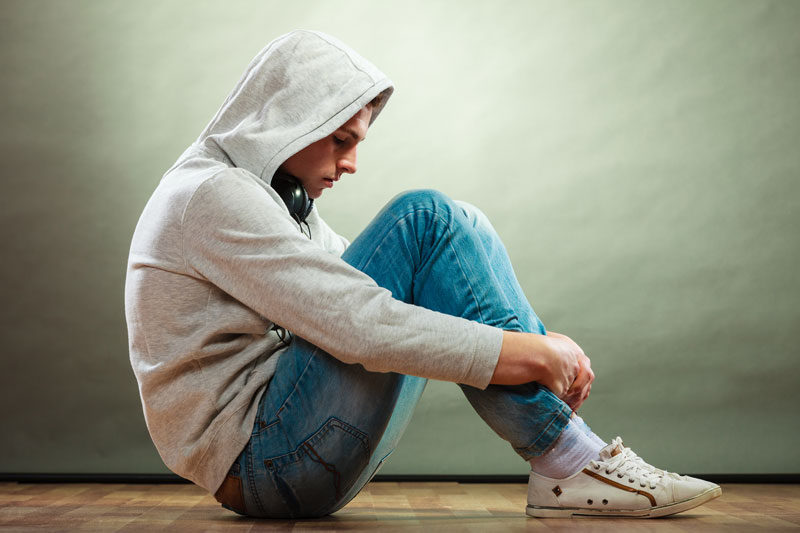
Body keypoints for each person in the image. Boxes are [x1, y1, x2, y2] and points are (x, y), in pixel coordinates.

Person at [124, 30, 721, 519]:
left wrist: (530, 348)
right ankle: (566, 455)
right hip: (267, 463)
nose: (351, 164)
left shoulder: (269, 200)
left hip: (292, 456)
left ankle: (566, 452)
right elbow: (361, 324)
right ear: (288, 119)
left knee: (463, 226)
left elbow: (369, 293)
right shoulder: (212, 197)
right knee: (428, 222)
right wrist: (534, 354)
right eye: (338, 141)